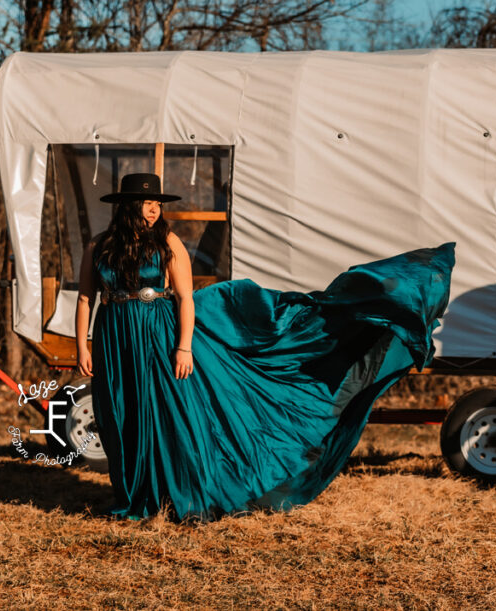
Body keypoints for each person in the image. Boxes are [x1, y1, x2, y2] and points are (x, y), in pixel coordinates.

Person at [75, 173, 454, 521]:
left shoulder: (168, 243)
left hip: (158, 335)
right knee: (122, 413)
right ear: (127, 206)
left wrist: (184, 347)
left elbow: (185, 299)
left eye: (158, 202)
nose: (155, 208)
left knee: (162, 415)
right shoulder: (100, 246)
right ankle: (131, 494)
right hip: (114, 338)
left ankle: (167, 496)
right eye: (147, 202)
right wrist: (83, 346)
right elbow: (85, 300)